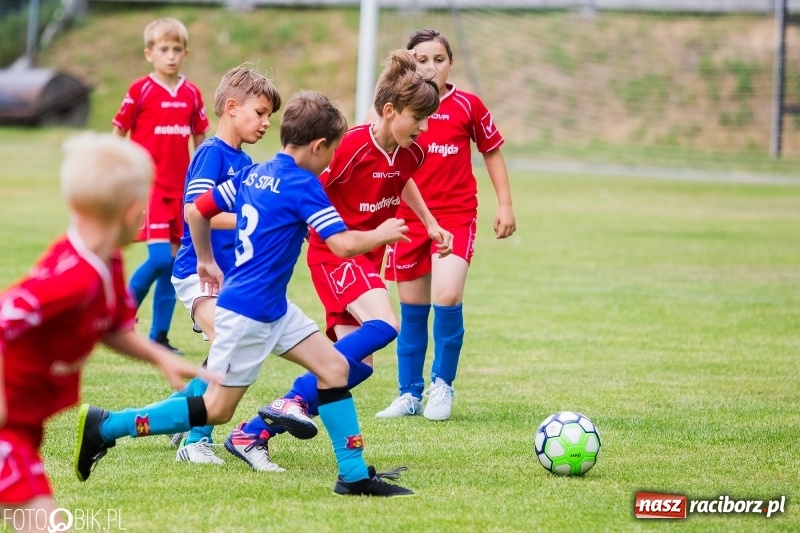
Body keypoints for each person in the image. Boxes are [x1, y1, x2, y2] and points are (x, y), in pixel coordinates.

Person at [75, 90, 417, 497]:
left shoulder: (255, 174)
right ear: (318, 146)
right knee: (216, 409)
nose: (331, 160)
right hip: (248, 314)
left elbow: (196, 210)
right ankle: (108, 426)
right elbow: (342, 246)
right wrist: (382, 233)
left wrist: (205, 259)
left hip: (273, 308)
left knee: (334, 369)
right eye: (332, 151)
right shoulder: (302, 185)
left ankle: (354, 475)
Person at [229, 49, 452, 458]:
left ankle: (251, 432)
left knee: (357, 366)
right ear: (390, 111)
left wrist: (430, 222)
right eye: (418, 118)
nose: (424, 127)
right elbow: (306, 184)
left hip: (366, 258)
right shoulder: (348, 147)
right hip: (336, 254)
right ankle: (292, 401)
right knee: (385, 324)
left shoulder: (412, 151)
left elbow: (401, 178)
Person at [0, 134, 206, 531]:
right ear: (131, 212)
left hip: (23, 430)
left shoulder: (105, 264)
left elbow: (111, 327)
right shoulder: (75, 278)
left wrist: (160, 357)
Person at [375, 29, 517, 421]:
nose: (430, 67)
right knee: (412, 309)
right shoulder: (394, 109)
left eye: (439, 59)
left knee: (448, 295)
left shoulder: (468, 106)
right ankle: (409, 393)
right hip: (406, 221)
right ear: (408, 62)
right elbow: (374, 150)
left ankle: (442, 384)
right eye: (421, 60)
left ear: (451, 63)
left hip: (455, 217)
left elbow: (492, 151)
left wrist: (505, 204)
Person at [166, 64, 281, 465]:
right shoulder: (211, 154)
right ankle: (196, 441)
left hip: (227, 277)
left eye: (270, 116)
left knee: (230, 346)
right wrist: (255, 217)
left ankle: (178, 413)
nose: (266, 123)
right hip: (196, 271)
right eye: (260, 112)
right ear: (232, 107)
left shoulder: (246, 164)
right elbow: (197, 212)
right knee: (226, 345)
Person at [113, 17, 210, 353]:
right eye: (164, 49)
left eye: (176, 49)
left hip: (181, 191)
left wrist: (204, 180)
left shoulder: (191, 93)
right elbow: (118, 132)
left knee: (173, 265)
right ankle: (119, 315)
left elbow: (201, 139)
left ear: (185, 53)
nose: (170, 55)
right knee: (159, 259)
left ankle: (159, 337)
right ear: (149, 53)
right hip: (149, 189)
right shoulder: (140, 90)